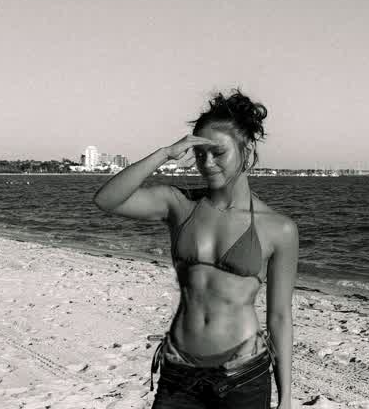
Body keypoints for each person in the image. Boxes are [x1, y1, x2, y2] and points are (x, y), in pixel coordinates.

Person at [94, 89, 298, 409]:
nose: (207, 163)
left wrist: (285, 398)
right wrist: (165, 153)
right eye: (200, 153)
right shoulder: (179, 205)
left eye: (218, 152)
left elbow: (280, 317)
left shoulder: (278, 228)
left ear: (247, 150)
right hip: (179, 374)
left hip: (243, 376)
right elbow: (107, 200)